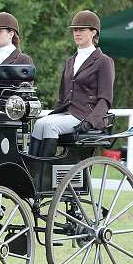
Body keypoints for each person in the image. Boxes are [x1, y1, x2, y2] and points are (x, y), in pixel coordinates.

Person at [29, 10, 114, 157]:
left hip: (86, 114)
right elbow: (62, 96)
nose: (77, 33)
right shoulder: (70, 61)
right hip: (67, 112)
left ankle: (45, 171)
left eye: (82, 30)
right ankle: (31, 167)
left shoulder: (103, 61)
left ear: (93, 32)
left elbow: (105, 100)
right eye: (75, 30)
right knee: (39, 124)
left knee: (50, 126)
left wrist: (90, 122)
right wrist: (56, 112)